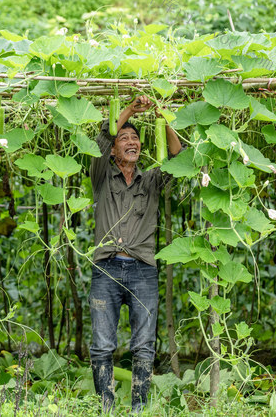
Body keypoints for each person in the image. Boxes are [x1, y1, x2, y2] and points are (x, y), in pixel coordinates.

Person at [89, 95, 183, 412]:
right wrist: (129, 108)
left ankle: (138, 409)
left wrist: (162, 117)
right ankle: (105, 407)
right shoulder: (101, 175)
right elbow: (103, 138)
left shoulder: (151, 180)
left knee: (144, 345)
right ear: (113, 150)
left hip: (143, 270)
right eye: (124, 138)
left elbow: (178, 157)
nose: (131, 142)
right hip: (106, 268)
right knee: (102, 345)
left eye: (135, 138)